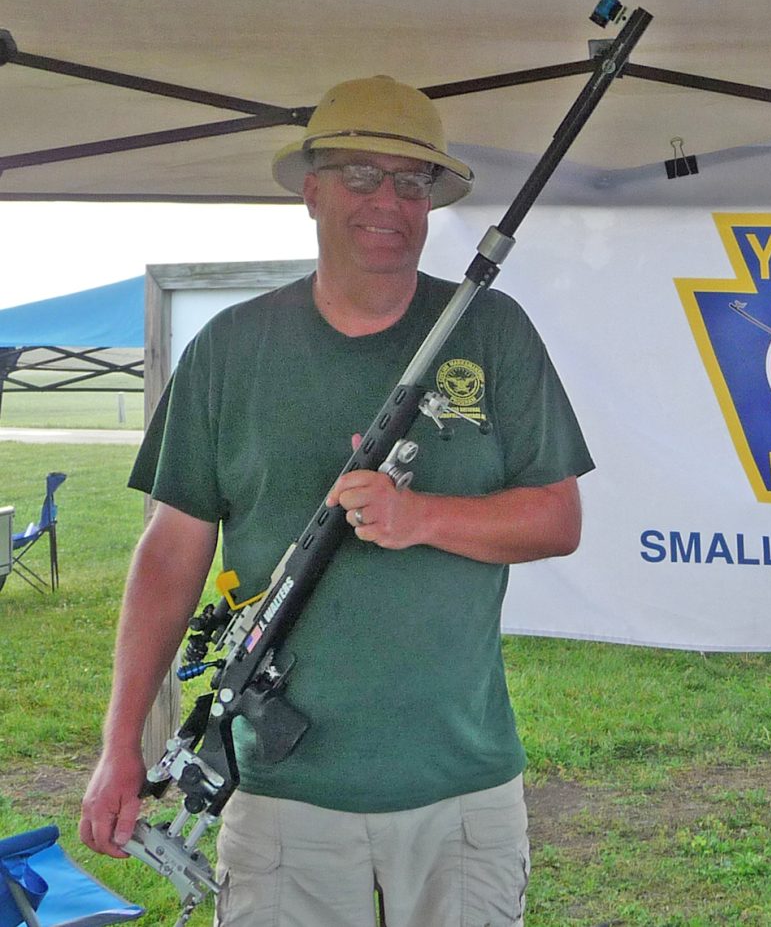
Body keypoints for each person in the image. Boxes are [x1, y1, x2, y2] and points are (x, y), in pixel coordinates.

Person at [79, 75, 594, 927]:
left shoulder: (493, 331)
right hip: (281, 795)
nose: (386, 200)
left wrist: (420, 515)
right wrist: (120, 741)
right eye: (359, 174)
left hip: (460, 786)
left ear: (432, 202)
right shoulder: (230, 351)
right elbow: (171, 554)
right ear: (310, 191)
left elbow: (557, 517)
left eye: (412, 179)